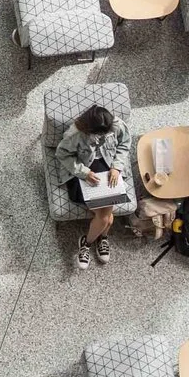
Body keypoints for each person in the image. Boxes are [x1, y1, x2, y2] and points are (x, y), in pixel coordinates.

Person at [58, 103, 130, 269]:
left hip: (108, 167)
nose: (103, 137)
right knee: (106, 218)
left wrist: (117, 167)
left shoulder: (115, 125)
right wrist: (84, 172)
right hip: (84, 171)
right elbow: (62, 154)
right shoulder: (74, 134)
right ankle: (95, 240)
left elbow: (125, 143)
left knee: (105, 217)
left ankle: (91, 240)